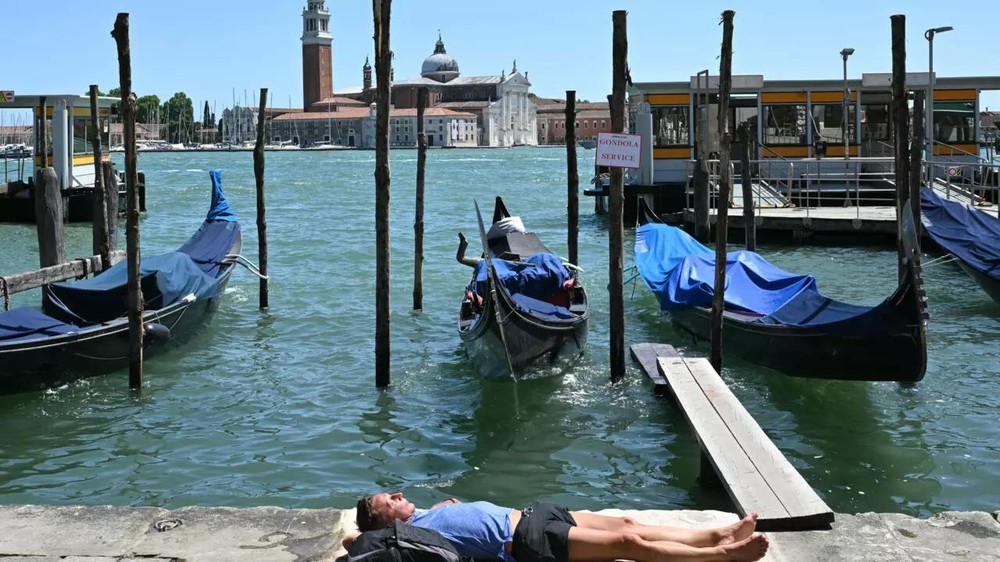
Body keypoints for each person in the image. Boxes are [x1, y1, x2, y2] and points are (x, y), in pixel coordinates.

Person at [347, 492, 768, 562]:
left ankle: (713, 535)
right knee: (627, 542)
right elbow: (356, 540)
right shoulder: (406, 536)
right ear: (387, 522)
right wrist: (359, 535)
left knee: (627, 521)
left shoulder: (429, 513)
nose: (400, 495)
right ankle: (721, 556)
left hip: (534, 513)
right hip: (526, 540)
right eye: (392, 501)